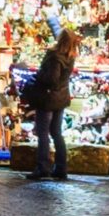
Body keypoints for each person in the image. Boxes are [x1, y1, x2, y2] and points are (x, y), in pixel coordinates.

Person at [23, 28, 79, 182]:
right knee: (56, 132)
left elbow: (51, 79)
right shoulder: (70, 56)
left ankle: (43, 167)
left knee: (43, 133)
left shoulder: (55, 56)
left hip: (48, 99)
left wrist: (38, 76)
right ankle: (61, 167)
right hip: (60, 98)